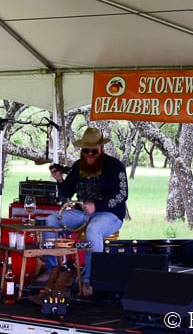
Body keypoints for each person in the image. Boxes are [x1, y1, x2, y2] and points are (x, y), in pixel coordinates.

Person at [40, 127, 128, 297]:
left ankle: (90, 280)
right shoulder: (78, 166)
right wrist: (59, 179)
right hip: (81, 213)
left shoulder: (115, 166)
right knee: (50, 221)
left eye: (93, 151)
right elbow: (67, 191)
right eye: (86, 150)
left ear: (101, 149)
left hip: (110, 214)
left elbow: (122, 194)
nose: (89, 154)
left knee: (93, 229)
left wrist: (97, 205)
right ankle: (52, 270)